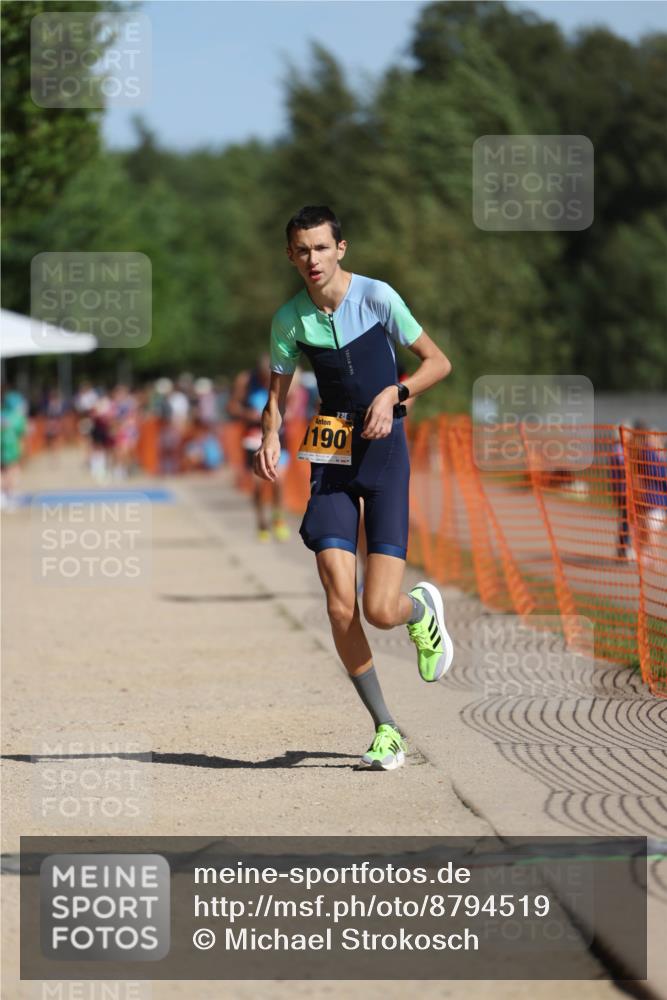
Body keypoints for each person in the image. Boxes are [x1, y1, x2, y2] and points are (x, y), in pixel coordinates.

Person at [254, 205, 454, 770]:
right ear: (290, 256)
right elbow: (275, 399)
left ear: (340, 248)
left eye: (321, 247)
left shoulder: (378, 297)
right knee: (341, 605)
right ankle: (386, 727)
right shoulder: (289, 320)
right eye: (301, 250)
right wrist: (268, 438)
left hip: (386, 449)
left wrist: (396, 394)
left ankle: (419, 613)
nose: (311, 259)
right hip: (331, 449)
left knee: (380, 609)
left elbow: (439, 362)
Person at [229, 356, 291, 542]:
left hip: (278, 435)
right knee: (257, 484)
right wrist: (248, 414)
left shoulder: (284, 377)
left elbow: (293, 400)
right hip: (253, 436)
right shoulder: (246, 380)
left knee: (278, 481)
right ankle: (261, 522)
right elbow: (232, 406)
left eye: (269, 377)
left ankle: (278, 518)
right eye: (263, 378)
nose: (266, 381)